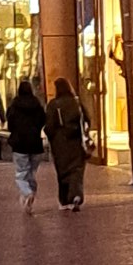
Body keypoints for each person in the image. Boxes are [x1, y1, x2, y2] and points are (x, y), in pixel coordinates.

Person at [45, 77, 91, 212]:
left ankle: (64, 200)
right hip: (76, 141)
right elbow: (87, 120)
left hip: (59, 143)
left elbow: (49, 126)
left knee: (62, 171)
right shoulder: (76, 103)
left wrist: (51, 137)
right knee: (76, 169)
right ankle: (76, 194)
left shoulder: (53, 105)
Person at [7, 81, 46, 214]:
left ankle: (27, 192)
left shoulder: (14, 105)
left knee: (21, 173)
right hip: (35, 143)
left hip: (19, 143)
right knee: (32, 172)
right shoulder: (37, 104)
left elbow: (10, 124)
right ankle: (31, 194)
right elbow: (43, 120)